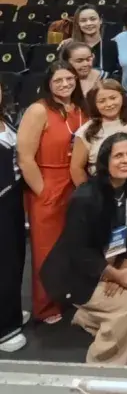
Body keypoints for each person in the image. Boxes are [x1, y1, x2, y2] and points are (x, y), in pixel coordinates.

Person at [40, 133, 127, 364]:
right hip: (75, 274)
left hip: (110, 266)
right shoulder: (86, 197)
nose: (126, 160)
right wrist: (112, 274)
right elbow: (78, 251)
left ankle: (89, 320)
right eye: (118, 155)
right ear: (105, 161)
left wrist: (123, 270)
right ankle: (102, 369)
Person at [17, 63, 86, 324]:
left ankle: (70, 294)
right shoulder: (38, 110)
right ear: (49, 83)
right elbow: (25, 157)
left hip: (77, 182)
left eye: (69, 78)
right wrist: (42, 191)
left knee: (75, 246)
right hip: (48, 182)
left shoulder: (81, 109)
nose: (65, 84)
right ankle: (45, 305)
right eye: (59, 80)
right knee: (47, 249)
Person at [0, 84, 26, 352]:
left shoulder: (5, 118)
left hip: (12, 197)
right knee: (3, 263)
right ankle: (4, 328)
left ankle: (12, 311)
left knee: (17, 257)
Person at [71, 80, 127, 185]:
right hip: (100, 188)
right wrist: (89, 196)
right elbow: (76, 169)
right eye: (102, 101)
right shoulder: (86, 131)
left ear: (122, 97)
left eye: (113, 98)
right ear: (94, 104)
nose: (109, 104)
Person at [68, 4, 120, 78]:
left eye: (93, 19)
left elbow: (119, 76)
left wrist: (102, 75)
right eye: (83, 20)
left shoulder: (113, 47)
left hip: (105, 88)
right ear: (78, 24)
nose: (89, 23)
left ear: (100, 20)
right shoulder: (71, 48)